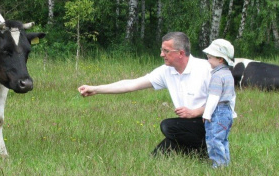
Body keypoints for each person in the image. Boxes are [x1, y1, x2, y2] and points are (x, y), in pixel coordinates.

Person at [78, 32, 211, 157]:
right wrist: (95, 89)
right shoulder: (166, 71)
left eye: (166, 51)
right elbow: (131, 84)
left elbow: (223, 102)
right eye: (162, 50)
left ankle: (206, 149)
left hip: (211, 124)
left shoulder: (206, 69)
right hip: (186, 126)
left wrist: (195, 112)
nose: (161, 54)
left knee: (168, 126)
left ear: (181, 53)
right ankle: (197, 152)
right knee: (156, 157)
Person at [202, 39, 237, 168]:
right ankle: (225, 163)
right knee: (223, 139)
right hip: (227, 111)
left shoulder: (217, 76)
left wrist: (206, 114)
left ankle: (218, 165)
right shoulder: (228, 74)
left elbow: (214, 97)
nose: (208, 60)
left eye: (210, 58)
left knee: (213, 139)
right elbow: (232, 96)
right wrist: (232, 111)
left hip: (218, 111)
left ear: (220, 59)